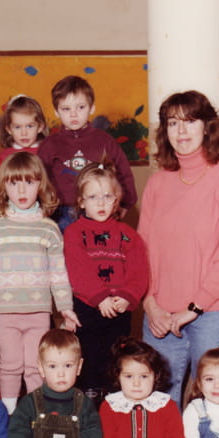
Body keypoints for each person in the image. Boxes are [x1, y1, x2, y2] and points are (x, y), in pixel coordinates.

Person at [138, 90, 219, 404]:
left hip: (214, 312)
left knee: (213, 409)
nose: (181, 130)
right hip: (160, 316)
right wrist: (149, 303)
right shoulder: (157, 183)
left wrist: (194, 308)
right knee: (156, 407)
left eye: (190, 121)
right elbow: (141, 254)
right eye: (172, 123)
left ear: (207, 126)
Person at [0, 152, 78, 414]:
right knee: (10, 364)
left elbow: (58, 272)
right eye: (14, 183)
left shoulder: (48, 228)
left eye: (29, 182)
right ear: (4, 186)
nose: (22, 191)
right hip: (4, 310)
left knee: (35, 366)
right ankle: (9, 415)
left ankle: (36, 415)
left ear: (41, 185)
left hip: (38, 310)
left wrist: (65, 307)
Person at [63, 161, 148, 400]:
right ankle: (88, 397)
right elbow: (77, 269)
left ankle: (116, 398)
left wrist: (128, 296)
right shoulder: (74, 233)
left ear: (116, 200)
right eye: (93, 197)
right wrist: (99, 298)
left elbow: (138, 269)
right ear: (81, 201)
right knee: (88, 354)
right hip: (87, 307)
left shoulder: (128, 235)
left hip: (119, 307)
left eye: (107, 196)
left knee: (117, 356)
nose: (100, 203)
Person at [38, 75, 137, 230]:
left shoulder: (104, 141)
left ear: (92, 108)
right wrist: (41, 206)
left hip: (98, 208)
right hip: (61, 213)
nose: (73, 114)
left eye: (80, 107)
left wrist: (126, 203)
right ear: (56, 112)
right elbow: (38, 178)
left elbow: (123, 172)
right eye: (66, 109)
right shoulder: (49, 144)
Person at [0, 94, 48, 159]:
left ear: (40, 127)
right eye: (17, 127)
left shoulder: (47, 153)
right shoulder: (4, 156)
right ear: (9, 129)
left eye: (29, 126)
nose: (24, 133)